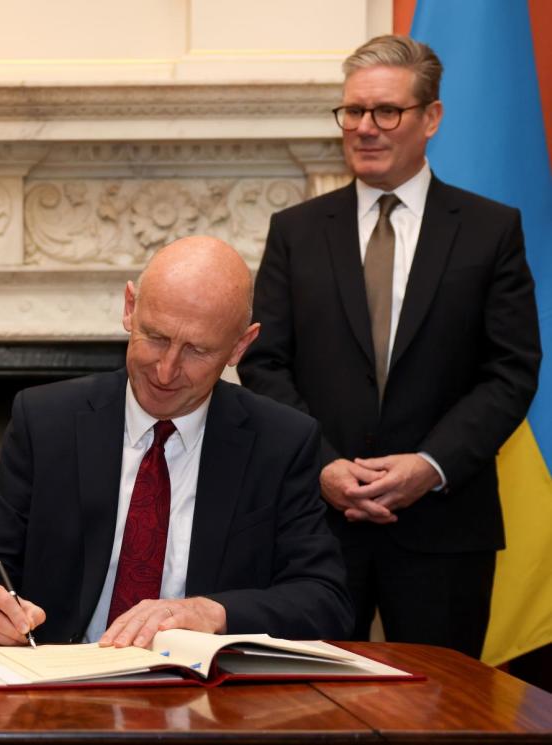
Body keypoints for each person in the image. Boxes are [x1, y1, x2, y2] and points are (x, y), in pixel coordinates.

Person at [238, 35, 540, 657]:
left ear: (431, 118)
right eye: (353, 111)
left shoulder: (490, 230)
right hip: (313, 525)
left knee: (443, 714)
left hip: (444, 527)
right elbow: (266, 363)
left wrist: (428, 467)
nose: (365, 128)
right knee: (305, 707)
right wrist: (321, 465)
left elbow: (510, 372)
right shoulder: (295, 232)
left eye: (386, 112)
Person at [0, 236, 352, 648]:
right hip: (60, 688)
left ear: (240, 346)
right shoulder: (47, 420)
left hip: (206, 698)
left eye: (196, 350)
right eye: (155, 337)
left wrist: (213, 612)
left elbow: (325, 601)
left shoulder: (281, 441)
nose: (166, 370)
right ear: (129, 308)